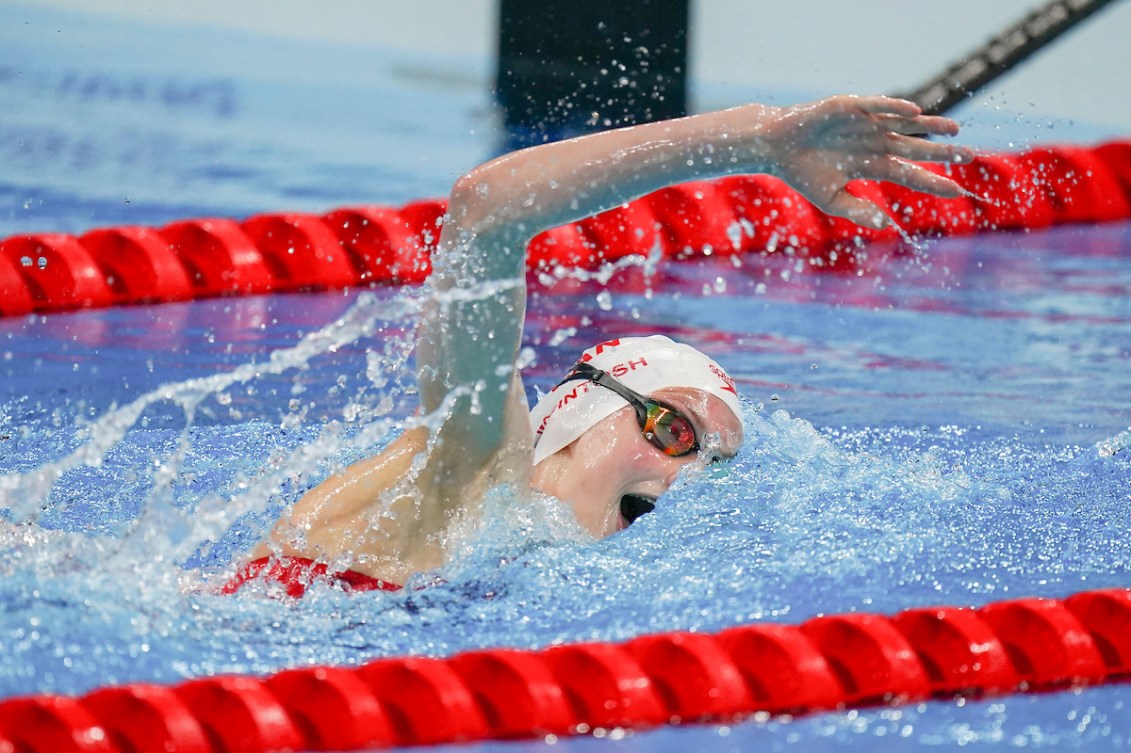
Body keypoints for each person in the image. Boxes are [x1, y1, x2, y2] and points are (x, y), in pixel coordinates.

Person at [227, 95, 974, 595]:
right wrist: (753, 137)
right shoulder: (473, 466)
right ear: (579, 407)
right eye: (672, 430)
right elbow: (485, 212)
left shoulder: (512, 546)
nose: (683, 479)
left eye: (713, 469)